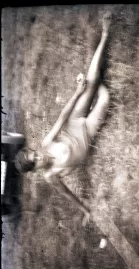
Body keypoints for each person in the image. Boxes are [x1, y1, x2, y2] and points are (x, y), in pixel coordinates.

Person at [15, 12, 112, 225]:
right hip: (88, 132)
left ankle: (104, 34)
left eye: (34, 153)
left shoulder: (46, 143)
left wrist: (78, 92)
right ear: (35, 170)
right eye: (36, 160)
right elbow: (68, 194)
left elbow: (62, 117)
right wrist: (85, 210)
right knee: (105, 97)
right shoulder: (51, 176)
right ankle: (95, 79)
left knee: (90, 82)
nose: (39, 155)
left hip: (75, 120)